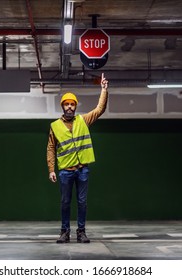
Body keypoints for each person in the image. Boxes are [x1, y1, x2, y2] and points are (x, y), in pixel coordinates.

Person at [46, 73, 109, 243]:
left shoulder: (83, 120)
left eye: (72, 104)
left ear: (75, 106)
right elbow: (51, 148)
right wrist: (51, 169)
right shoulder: (55, 126)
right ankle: (64, 232)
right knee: (65, 202)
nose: (69, 107)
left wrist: (104, 90)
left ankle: (81, 232)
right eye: (66, 104)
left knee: (82, 202)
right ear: (62, 106)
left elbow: (99, 109)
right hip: (65, 171)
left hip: (82, 170)